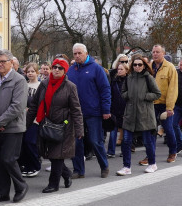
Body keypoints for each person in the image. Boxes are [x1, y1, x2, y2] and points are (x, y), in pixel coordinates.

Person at [29, 57, 83, 192]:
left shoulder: (70, 87)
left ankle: (53, 184)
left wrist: (79, 129)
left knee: (57, 156)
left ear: (65, 71)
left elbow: (76, 110)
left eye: (60, 68)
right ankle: (66, 173)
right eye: (54, 67)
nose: (56, 70)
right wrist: (26, 123)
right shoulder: (44, 84)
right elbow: (35, 105)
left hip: (64, 125)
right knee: (51, 155)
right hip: (46, 124)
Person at [0, 49, 28, 203]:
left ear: (11, 62)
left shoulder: (19, 80)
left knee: (8, 159)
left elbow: (17, 106)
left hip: (13, 127)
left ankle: (21, 186)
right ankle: (2, 193)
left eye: (3, 61)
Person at [67, 43, 111, 178]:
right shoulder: (71, 70)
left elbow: (105, 90)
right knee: (76, 142)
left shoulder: (96, 68)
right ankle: (78, 170)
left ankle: (104, 166)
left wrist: (106, 110)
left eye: (79, 53)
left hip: (93, 112)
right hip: (75, 113)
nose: (77, 56)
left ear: (86, 53)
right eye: (75, 53)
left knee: (95, 141)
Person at [117, 55, 161, 175]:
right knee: (126, 141)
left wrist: (145, 96)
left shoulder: (148, 78)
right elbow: (123, 92)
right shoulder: (129, 77)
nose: (137, 66)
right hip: (130, 114)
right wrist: (128, 95)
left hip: (145, 114)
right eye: (135, 64)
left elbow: (157, 93)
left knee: (147, 141)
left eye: (140, 64)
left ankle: (152, 164)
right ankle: (126, 167)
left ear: (144, 66)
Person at [149, 45, 179, 163]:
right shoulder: (149, 67)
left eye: (157, 52)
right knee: (151, 130)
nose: (155, 54)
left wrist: (170, 107)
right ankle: (150, 155)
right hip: (151, 104)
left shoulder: (170, 67)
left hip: (164, 104)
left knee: (168, 129)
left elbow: (173, 89)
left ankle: (173, 152)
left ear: (163, 53)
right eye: (153, 52)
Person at [18, 63, 43, 176]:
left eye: (32, 71)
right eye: (28, 72)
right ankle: (26, 165)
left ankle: (35, 166)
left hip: (35, 119)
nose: (30, 73)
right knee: (23, 143)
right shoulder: (24, 85)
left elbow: (42, 103)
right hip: (23, 118)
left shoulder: (40, 86)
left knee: (30, 142)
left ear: (37, 72)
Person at [106, 61, 127, 158]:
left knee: (125, 132)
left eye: (121, 69)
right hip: (114, 109)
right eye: (118, 69)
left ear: (126, 70)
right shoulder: (114, 81)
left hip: (125, 110)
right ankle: (111, 151)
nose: (119, 71)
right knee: (113, 131)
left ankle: (124, 150)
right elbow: (110, 95)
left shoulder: (129, 81)